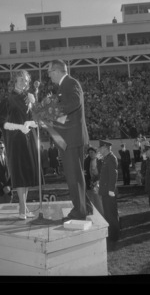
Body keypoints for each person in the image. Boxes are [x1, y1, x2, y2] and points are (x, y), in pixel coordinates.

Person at [47, 60, 90, 220]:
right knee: (76, 175)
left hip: (71, 138)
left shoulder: (71, 83)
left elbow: (74, 103)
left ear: (57, 71)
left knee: (74, 176)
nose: (49, 75)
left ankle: (79, 212)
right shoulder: (65, 86)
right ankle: (85, 206)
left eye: (49, 72)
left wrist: (51, 109)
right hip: (70, 137)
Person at [0, 70, 39, 220]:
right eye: (21, 80)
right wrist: (19, 127)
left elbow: (37, 119)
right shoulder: (8, 100)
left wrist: (33, 110)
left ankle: (24, 205)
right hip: (15, 139)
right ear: (14, 81)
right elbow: (1, 122)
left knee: (26, 173)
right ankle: (21, 206)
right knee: (20, 172)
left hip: (29, 138)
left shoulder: (29, 98)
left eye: (26, 80)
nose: (24, 83)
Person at [98, 139, 120, 242]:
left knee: (111, 214)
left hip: (109, 192)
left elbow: (113, 175)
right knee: (108, 213)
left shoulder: (111, 158)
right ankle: (111, 234)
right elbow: (103, 175)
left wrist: (111, 189)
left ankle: (114, 236)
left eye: (101, 147)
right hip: (105, 191)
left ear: (105, 148)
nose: (99, 149)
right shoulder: (106, 158)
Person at [83, 146, 104, 216]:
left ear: (95, 153)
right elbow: (85, 172)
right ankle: (93, 216)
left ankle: (102, 216)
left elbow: (102, 172)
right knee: (90, 201)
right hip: (89, 184)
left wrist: (98, 181)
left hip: (98, 184)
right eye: (89, 153)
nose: (90, 154)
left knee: (98, 202)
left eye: (92, 152)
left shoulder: (100, 160)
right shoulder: (87, 161)